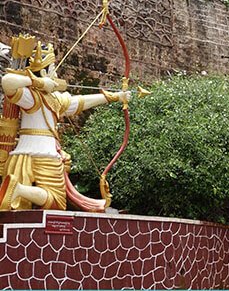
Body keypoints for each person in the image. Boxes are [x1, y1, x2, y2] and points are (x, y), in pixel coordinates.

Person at [0, 41, 131, 210]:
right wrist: (39, 83)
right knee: (57, 201)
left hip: (28, 153)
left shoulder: (54, 99)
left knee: (49, 204)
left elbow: (80, 102)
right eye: (53, 69)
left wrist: (115, 96)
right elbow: (7, 81)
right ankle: (19, 189)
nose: (56, 73)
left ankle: (20, 190)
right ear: (45, 72)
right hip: (44, 154)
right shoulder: (32, 96)